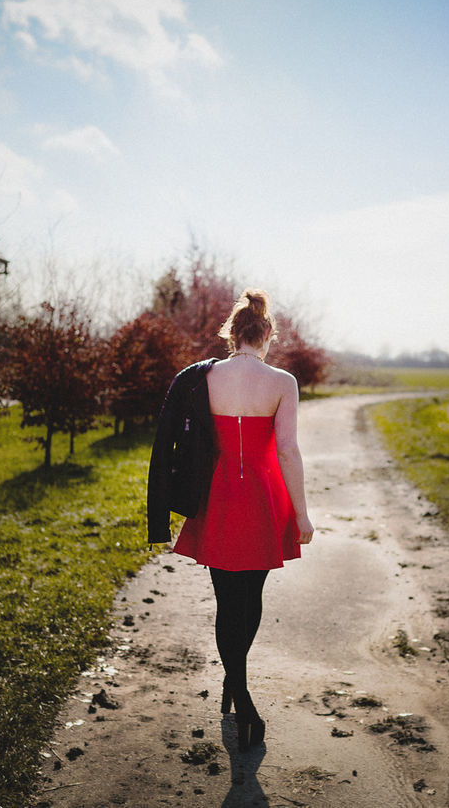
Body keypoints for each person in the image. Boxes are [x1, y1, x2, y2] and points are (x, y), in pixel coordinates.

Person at [146, 289, 314, 752]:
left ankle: (235, 687)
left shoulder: (204, 378)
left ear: (231, 334)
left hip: (217, 495)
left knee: (226, 602)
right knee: (251, 598)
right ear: (267, 335)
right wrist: (301, 513)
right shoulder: (283, 381)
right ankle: (242, 696)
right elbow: (287, 450)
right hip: (262, 497)